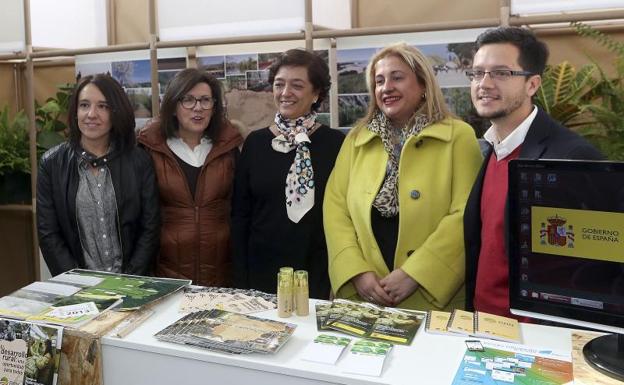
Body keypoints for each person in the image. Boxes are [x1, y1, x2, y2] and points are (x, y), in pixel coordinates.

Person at [324, 42, 482, 310]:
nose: (386, 87)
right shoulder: (356, 139)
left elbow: (465, 214)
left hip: (431, 300)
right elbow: (335, 208)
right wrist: (356, 272)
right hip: (364, 296)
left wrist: (416, 274)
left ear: (422, 85)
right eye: (379, 81)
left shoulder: (459, 136)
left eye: (397, 77)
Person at [463, 27, 604, 317]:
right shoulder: (492, 148)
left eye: (501, 73)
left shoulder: (570, 157)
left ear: (532, 84)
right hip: (483, 324)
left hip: (536, 338)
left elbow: (597, 269)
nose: (484, 84)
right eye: (478, 73)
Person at [231, 48, 344, 299]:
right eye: (279, 84)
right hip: (261, 271)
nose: (285, 93)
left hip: (316, 269)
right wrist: (240, 279)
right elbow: (240, 216)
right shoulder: (255, 143)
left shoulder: (336, 144)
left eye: (297, 85)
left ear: (316, 93)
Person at [37, 74, 160, 276]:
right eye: (84, 105)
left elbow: (150, 228)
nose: (91, 114)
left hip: (133, 284)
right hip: (78, 288)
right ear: (75, 111)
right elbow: (49, 235)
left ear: (116, 112)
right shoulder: (51, 164)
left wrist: (130, 280)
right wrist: (78, 284)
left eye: (103, 106)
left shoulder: (139, 161)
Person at [138, 69, 242, 286]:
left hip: (221, 274)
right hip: (166, 274)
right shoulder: (150, 149)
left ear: (214, 107)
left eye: (205, 100)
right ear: (173, 107)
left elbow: (240, 209)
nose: (198, 108)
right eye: (188, 100)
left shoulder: (228, 148)